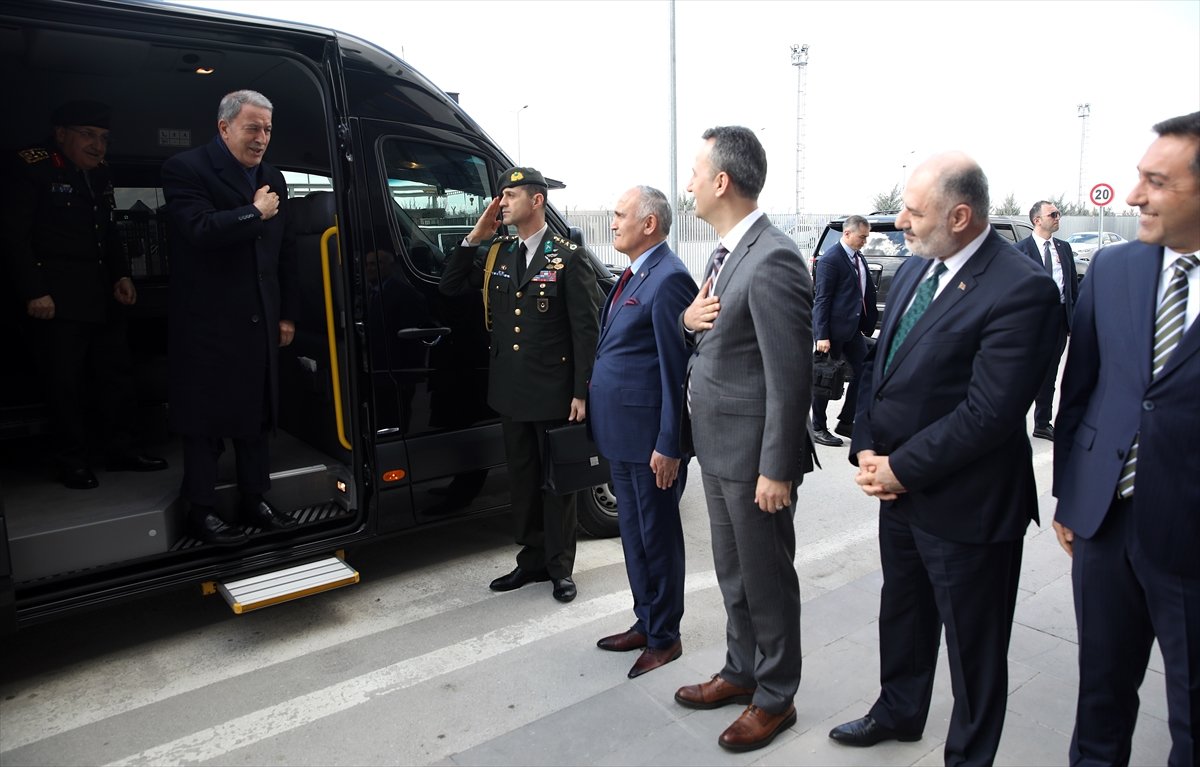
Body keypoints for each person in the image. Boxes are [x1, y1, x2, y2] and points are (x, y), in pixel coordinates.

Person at [830, 152, 1059, 766]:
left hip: (969, 508)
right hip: (899, 493)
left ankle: (968, 754)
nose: (899, 220)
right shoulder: (914, 271)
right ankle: (899, 711)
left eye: (913, 210)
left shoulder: (1022, 289)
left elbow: (989, 413)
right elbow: (882, 367)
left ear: (960, 216)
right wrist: (868, 446)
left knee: (973, 647)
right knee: (902, 612)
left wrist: (900, 468)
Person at [1052, 111, 1200, 767]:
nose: (1135, 195)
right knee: (1101, 697)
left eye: (1155, 181)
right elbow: (1080, 390)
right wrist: (1069, 495)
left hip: (1191, 543)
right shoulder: (1112, 270)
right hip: (1105, 524)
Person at [676, 126, 814, 752]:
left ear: (722, 182)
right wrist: (687, 320)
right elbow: (719, 342)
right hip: (719, 448)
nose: (689, 185)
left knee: (766, 577)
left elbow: (791, 377)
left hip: (755, 459)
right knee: (732, 574)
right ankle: (741, 670)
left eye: (695, 174)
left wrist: (778, 469)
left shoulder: (774, 256)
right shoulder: (727, 255)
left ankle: (776, 694)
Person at [439, 166, 601, 603]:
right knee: (524, 481)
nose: (502, 203)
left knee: (556, 483)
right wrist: (473, 238)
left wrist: (581, 392)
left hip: (553, 393)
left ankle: (560, 568)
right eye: (501, 196)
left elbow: (586, 331)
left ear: (537, 200)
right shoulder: (499, 253)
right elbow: (450, 286)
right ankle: (530, 562)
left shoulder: (568, 257)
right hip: (511, 391)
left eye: (510, 195)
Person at [3, 100, 166, 489]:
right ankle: (72, 461)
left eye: (104, 138)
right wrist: (34, 291)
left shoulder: (100, 174)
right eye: (88, 136)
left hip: (99, 295)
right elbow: (13, 238)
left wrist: (121, 275)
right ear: (60, 134)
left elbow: (107, 231)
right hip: (54, 300)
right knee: (65, 384)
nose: (98, 146)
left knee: (116, 377)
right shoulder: (31, 167)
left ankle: (122, 451)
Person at [160, 89, 298, 546]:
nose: (261, 139)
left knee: (257, 418)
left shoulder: (273, 176)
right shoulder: (187, 169)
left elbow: (286, 255)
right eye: (252, 128)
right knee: (205, 423)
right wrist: (253, 213)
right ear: (224, 128)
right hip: (208, 324)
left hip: (262, 318)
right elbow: (198, 230)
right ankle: (200, 510)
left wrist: (287, 315)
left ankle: (255, 500)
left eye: (268, 130)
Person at [590, 186, 696, 678]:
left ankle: (665, 636)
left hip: (651, 439)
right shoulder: (634, 273)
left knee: (657, 537)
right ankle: (645, 619)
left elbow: (677, 369)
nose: (613, 223)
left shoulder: (669, 277)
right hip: (623, 433)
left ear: (649, 223)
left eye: (619, 215)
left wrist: (669, 443)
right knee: (634, 536)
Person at [811, 214, 878, 447]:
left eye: (866, 237)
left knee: (864, 371)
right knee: (825, 378)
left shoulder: (858, 258)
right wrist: (822, 335)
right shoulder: (831, 260)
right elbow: (822, 299)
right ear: (847, 233)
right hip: (832, 333)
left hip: (852, 331)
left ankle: (847, 421)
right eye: (862, 237)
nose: (865, 242)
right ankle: (818, 427)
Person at [1015, 200, 1078, 440]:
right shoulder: (1020, 251)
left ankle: (1042, 422)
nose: (1057, 217)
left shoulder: (1064, 248)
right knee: (1022, 373)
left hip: (1058, 319)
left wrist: (1075, 319)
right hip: (1030, 323)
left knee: (1050, 374)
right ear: (1037, 220)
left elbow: (1072, 286)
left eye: (1059, 214)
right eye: (1053, 214)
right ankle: (1012, 421)